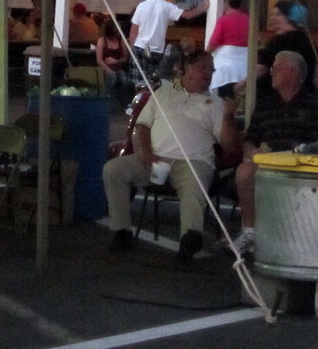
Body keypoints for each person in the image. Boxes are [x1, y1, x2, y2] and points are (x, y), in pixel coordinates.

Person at [102, 49, 238, 261]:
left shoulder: (216, 104)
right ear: (187, 68)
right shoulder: (162, 93)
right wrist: (145, 151)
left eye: (211, 69)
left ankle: (190, 238)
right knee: (113, 169)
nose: (209, 72)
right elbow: (142, 126)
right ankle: (121, 231)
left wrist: (229, 118)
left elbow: (229, 146)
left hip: (193, 161)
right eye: (204, 67)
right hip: (155, 160)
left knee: (195, 181)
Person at [232, 50, 318, 257]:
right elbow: (250, 138)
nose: (271, 72)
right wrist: (253, 151)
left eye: (277, 68)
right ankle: (250, 232)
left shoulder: (315, 105)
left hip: (301, 165)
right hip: (267, 161)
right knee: (244, 171)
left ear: (293, 73)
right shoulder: (266, 103)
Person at [127, 0, 208, 88]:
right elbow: (187, 15)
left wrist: (132, 49)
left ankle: (140, 104)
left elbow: (134, 30)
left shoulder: (141, 6)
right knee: (155, 84)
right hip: (157, 51)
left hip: (140, 47)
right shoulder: (166, 6)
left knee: (139, 84)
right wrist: (202, 8)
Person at [205, 0, 249, 99]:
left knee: (219, 99)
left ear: (227, 1)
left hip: (224, 68)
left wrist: (203, 56)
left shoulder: (224, 20)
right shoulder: (249, 20)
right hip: (244, 67)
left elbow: (213, 44)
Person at [96, 20, 130, 108]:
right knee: (112, 77)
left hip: (118, 67)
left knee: (124, 79)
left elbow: (125, 59)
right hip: (105, 68)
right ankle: (108, 103)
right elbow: (99, 60)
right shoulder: (102, 41)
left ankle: (124, 104)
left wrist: (116, 61)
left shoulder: (121, 41)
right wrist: (109, 69)